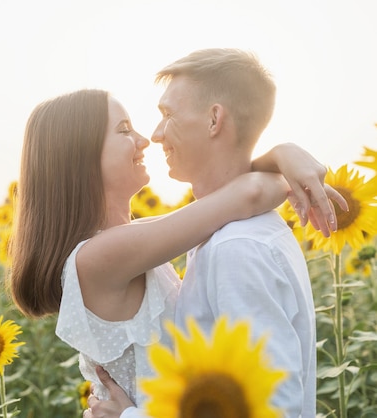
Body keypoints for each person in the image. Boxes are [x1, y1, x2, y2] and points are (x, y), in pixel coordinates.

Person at [7, 88, 344, 413]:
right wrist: (287, 158)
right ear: (80, 154)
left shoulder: (132, 240)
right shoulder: (100, 256)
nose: (144, 140)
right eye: (124, 130)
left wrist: (283, 158)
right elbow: (248, 194)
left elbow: (228, 195)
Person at [85, 49, 348, 418]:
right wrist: (279, 157)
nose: (156, 135)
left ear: (213, 120)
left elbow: (271, 410)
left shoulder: (237, 250)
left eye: (167, 115)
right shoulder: (219, 231)